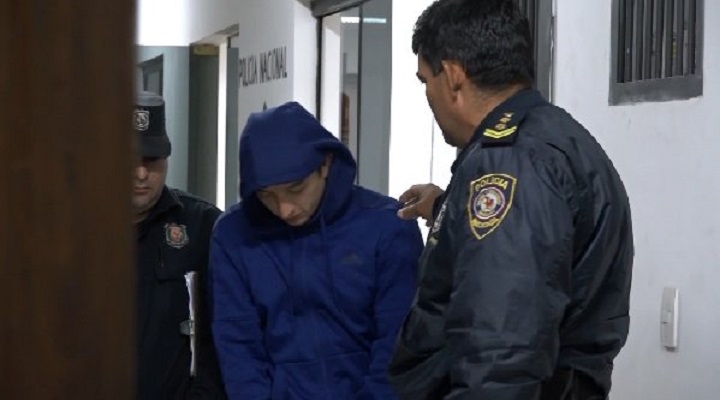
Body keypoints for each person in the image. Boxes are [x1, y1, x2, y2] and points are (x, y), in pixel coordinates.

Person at [388, 1, 634, 399]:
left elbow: (500, 353)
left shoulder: (510, 162)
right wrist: (445, 206)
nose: (427, 95)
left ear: (453, 76)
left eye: (425, 81)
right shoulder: (554, 137)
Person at [209, 101, 424, 399]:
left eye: (295, 189)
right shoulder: (233, 235)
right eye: (266, 195)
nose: (284, 209)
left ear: (325, 164)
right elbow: (239, 348)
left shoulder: (389, 226)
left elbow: (396, 345)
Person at [133, 91, 226, 399]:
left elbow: (226, 331)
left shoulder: (203, 226)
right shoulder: (76, 233)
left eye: (152, 160)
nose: (141, 174)